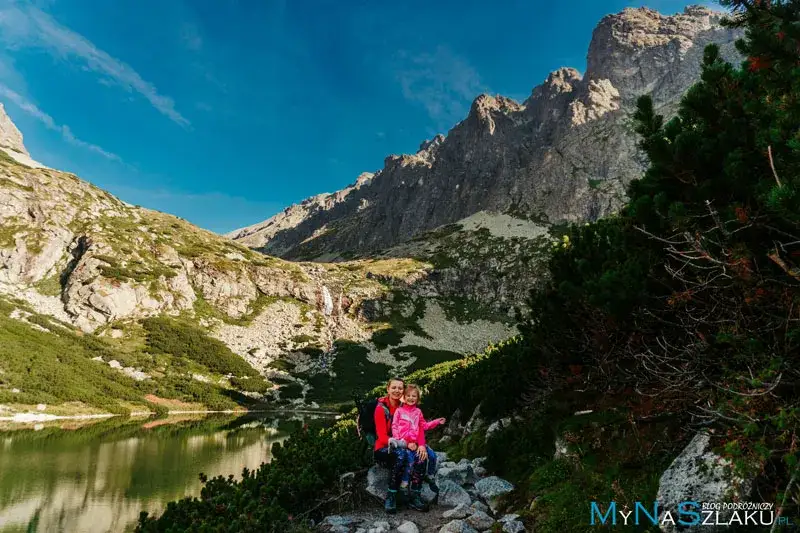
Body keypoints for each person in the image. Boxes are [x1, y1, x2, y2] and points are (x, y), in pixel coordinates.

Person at [372, 378, 426, 513]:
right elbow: (382, 437)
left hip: (402, 445)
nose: (397, 391)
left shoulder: (406, 407)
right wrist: (406, 444)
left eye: (400, 388)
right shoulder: (381, 409)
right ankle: (391, 495)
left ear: (403, 391)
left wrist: (421, 445)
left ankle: (415, 495)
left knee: (420, 456)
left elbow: (418, 427)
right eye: (394, 387)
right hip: (383, 448)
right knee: (401, 455)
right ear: (388, 389)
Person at [390, 384, 445, 511]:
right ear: (403, 397)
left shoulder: (418, 412)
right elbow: (394, 427)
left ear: (418, 398)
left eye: (414, 396)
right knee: (409, 460)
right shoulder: (399, 411)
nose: (411, 398)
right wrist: (402, 441)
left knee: (426, 457)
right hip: (404, 443)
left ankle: (419, 489)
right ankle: (404, 485)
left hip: (415, 444)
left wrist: (436, 421)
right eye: (408, 395)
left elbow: (423, 426)